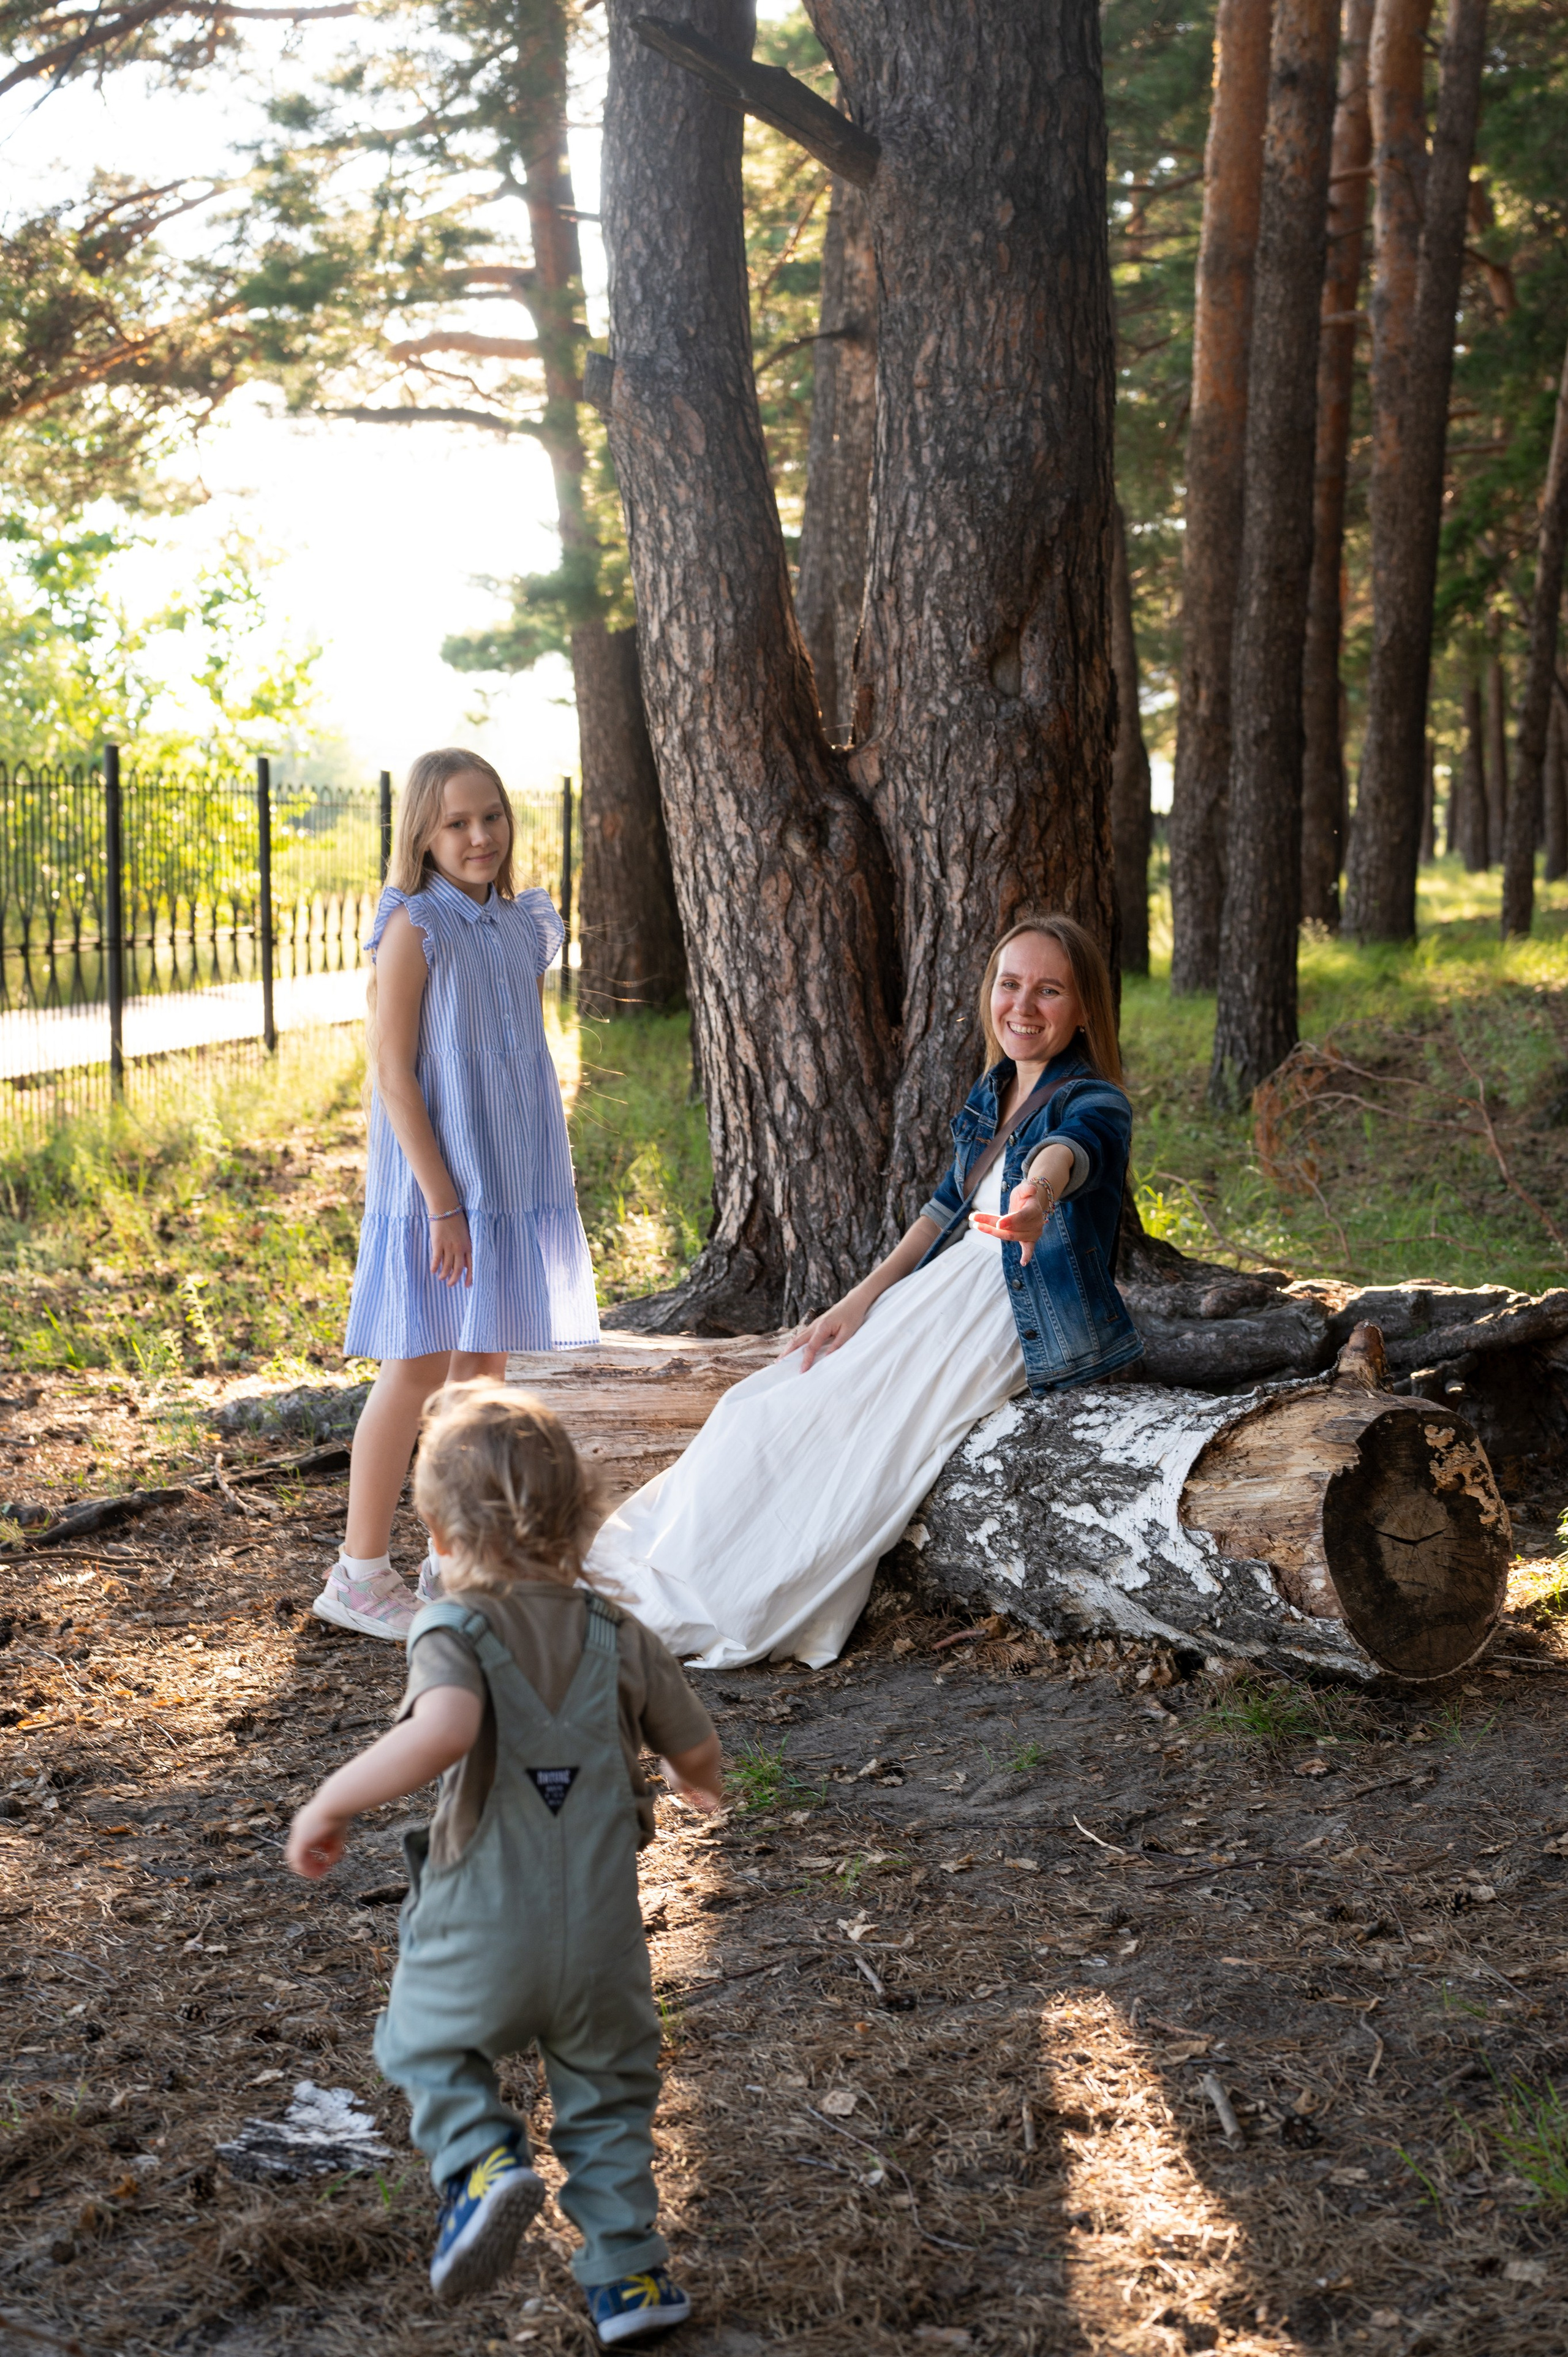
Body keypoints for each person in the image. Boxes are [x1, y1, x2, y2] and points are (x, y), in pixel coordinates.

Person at [587, 912, 1143, 1668]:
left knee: (857, 1436)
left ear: (1082, 1010)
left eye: (1049, 990)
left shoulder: (1096, 1098)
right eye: (1009, 984)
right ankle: (669, 1562)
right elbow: (942, 1210)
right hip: (947, 1286)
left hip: (1009, 1309)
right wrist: (861, 1299)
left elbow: (1069, 1150)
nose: (1022, 1005)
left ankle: (737, 1590)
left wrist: (1037, 1198)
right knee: (763, 1403)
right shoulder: (996, 1088)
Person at [287, 1382, 722, 2345]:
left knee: (423, 2042)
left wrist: (332, 1800)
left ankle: (481, 2160)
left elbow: (444, 1730)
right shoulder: (622, 1633)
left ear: (441, 1537)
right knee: (608, 2101)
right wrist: (696, 1781)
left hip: (481, 1925)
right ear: (582, 1520)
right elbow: (696, 1748)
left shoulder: (454, 1627)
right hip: (604, 1941)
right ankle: (631, 2279)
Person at [312, 747, 600, 1642]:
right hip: (439, 1182)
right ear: (423, 835)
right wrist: (443, 1203)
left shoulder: (522, 924)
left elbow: (514, 1056)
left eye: (492, 816)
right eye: (457, 822)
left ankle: (458, 1558)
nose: (480, 835)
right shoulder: (416, 924)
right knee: (417, 1366)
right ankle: (359, 1573)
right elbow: (395, 1074)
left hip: (509, 1177)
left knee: (483, 1373)